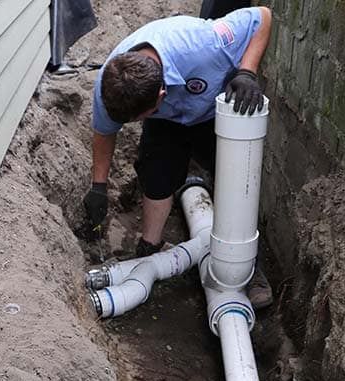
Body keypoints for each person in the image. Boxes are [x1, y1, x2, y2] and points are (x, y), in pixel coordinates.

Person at [82, 6, 272, 256]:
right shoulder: (113, 87)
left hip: (214, 113)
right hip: (168, 119)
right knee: (156, 174)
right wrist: (99, 187)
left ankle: (243, 259)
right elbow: (105, 132)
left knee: (234, 175)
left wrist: (247, 72)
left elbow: (262, 16)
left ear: (160, 95)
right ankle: (150, 248)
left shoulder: (206, 45)